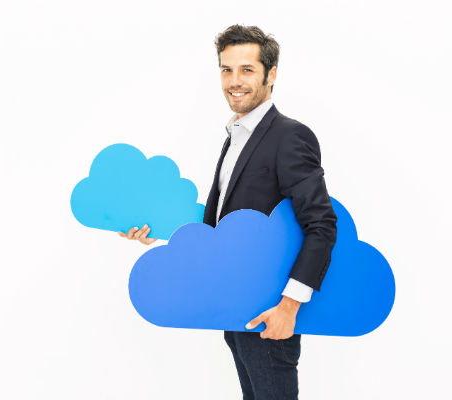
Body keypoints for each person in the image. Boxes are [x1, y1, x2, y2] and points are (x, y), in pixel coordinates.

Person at [119, 24, 337, 400]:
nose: (234, 81)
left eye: (247, 70)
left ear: (271, 75)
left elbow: (322, 224)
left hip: (269, 317)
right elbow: (225, 226)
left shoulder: (288, 136)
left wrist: (289, 307)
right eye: (226, 69)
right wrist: (164, 232)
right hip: (237, 311)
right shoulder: (237, 135)